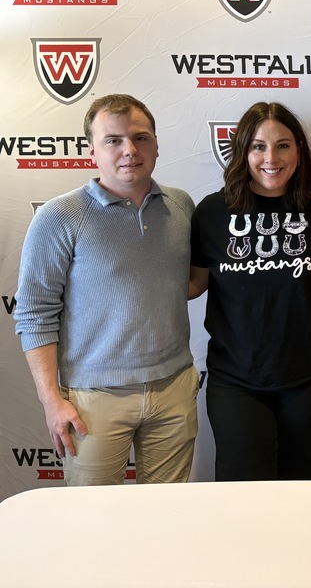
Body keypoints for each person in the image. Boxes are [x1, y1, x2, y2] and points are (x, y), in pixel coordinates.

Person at [14, 94, 199, 485]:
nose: (129, 150)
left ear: (156, 144)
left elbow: (185, 283)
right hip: (93, 401)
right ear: (91, 150)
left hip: (174, 388)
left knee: (168, 514)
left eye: (140, 137)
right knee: (93, 521)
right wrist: (52, 401)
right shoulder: (58, 217)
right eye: (113, 140)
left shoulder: (182, 207)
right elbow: (33, 313)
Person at [190, 102, 311, 481]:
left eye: (283, 145)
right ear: (242, 152)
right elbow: (192, 285)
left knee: (303, 491)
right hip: (236, 381)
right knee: (242, 497)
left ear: (299, 149)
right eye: (258, 146)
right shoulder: (212, 213)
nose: (271, 158)